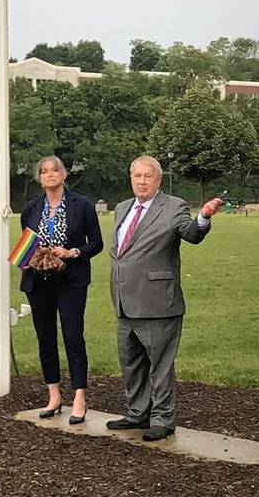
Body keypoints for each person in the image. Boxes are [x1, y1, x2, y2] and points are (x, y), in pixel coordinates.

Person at [106, 156, 223, 441]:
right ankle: (138, 413)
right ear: (131, 178)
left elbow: (191, 234)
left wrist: (204, 217)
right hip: (124, 300)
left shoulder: (173, 206)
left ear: (158, 179)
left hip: (158, 302)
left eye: (148, 176)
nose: (142, 181)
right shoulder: (122, 208)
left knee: (160, 365)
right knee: (131, 363)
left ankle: (162, 419)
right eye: (137, 176)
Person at [20, 155, 104, 425]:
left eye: (55, 170)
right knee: (45, 338)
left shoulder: (82, 206)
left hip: (71, 281)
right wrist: (27, 260)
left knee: (72, 337)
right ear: (40, 178)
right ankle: (53, 394)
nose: (50, 175)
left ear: (64, 175)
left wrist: (72, 252)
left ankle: (79, 396)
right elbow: (26, 243)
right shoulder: (31, 208)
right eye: (44, 172)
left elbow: (97, 243)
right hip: (39, 282)